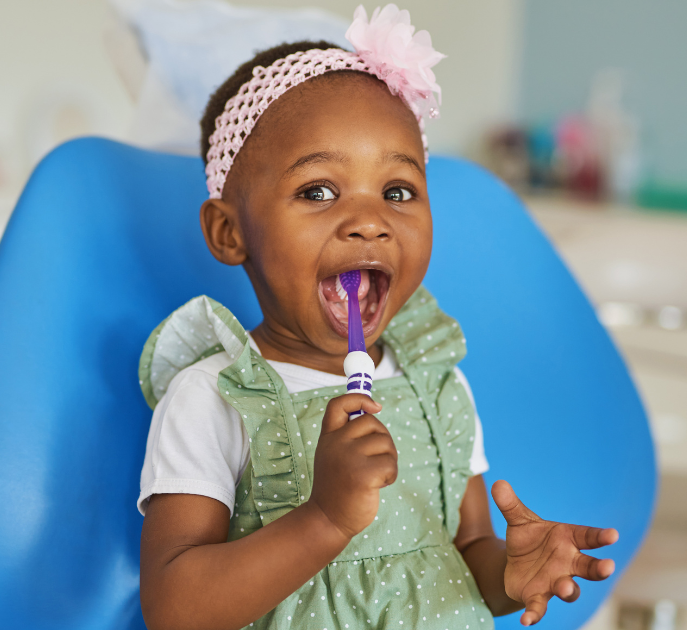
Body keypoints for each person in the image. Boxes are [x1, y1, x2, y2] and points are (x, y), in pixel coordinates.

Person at [136, 6, 618, 629]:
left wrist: (508, 571)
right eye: (318, 191)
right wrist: (325, 519)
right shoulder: (215, 397)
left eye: (397, 192)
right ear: (229, 232)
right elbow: (177, 610)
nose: (371, 219)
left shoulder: (437, 386)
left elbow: (465, 550)